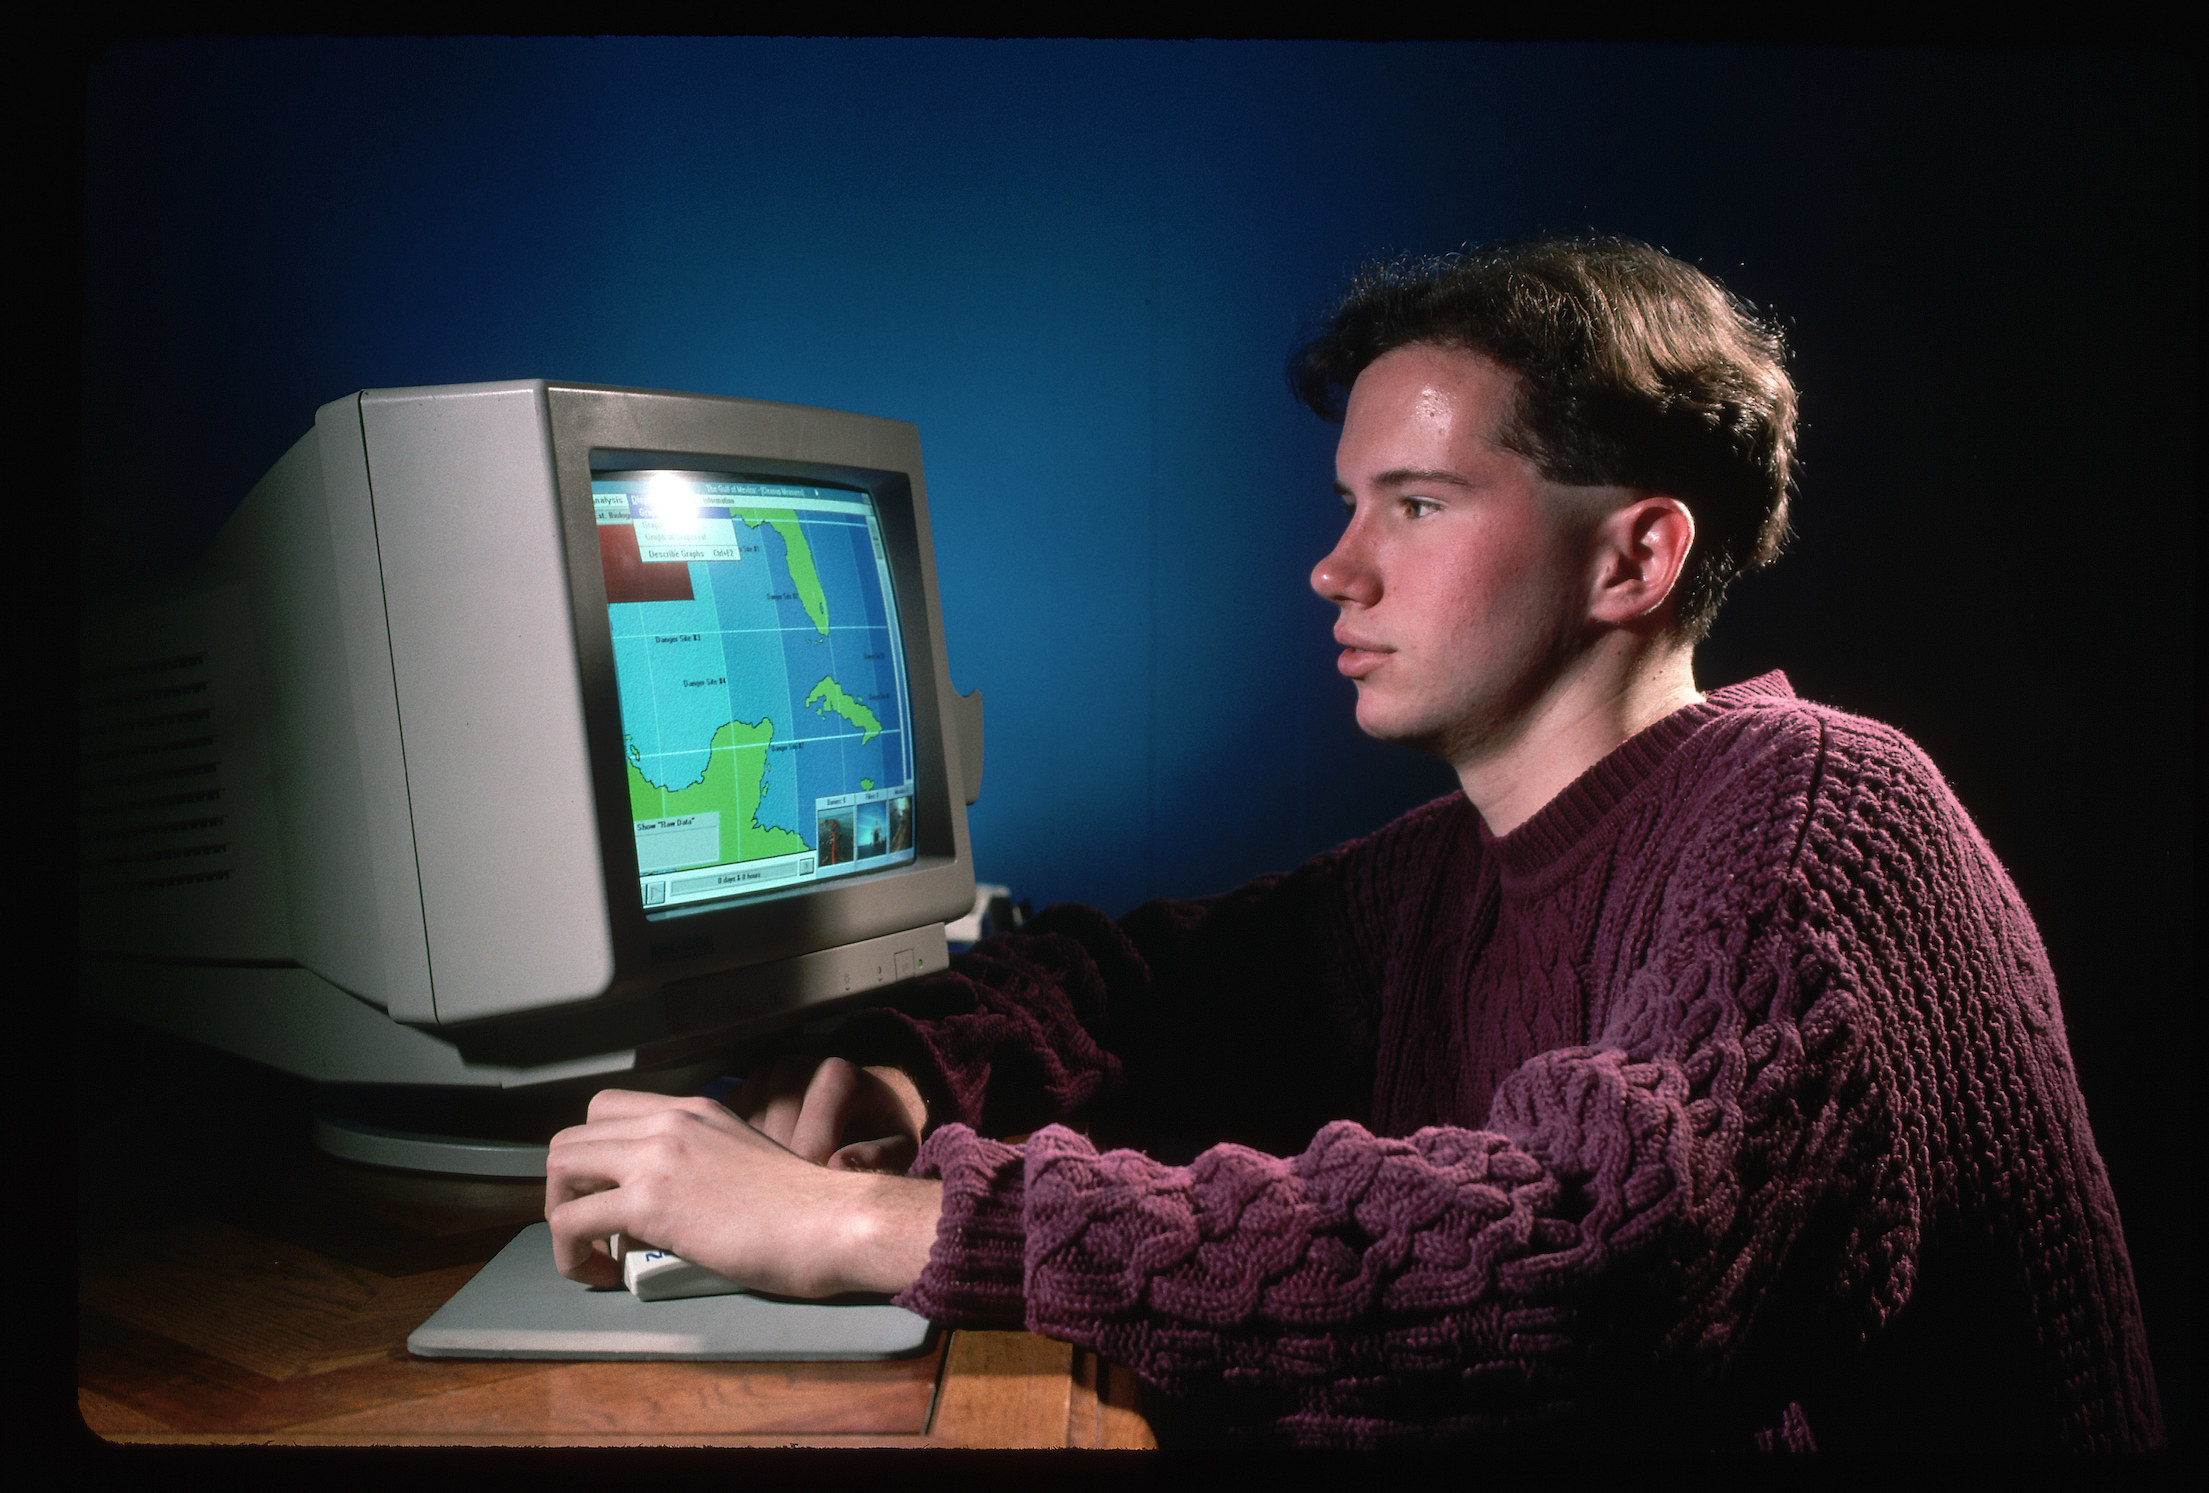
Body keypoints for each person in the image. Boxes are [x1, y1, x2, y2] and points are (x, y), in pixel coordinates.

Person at [544, 235, 2163, 1452]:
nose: (1334, 568)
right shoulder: (1449, 869)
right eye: (1346, 503)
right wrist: (902, 1069)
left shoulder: (1822, 814)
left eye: (1416, 502)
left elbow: (1587, 1250)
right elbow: (1134, 978)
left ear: (1635, 555)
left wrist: (864, 1224)